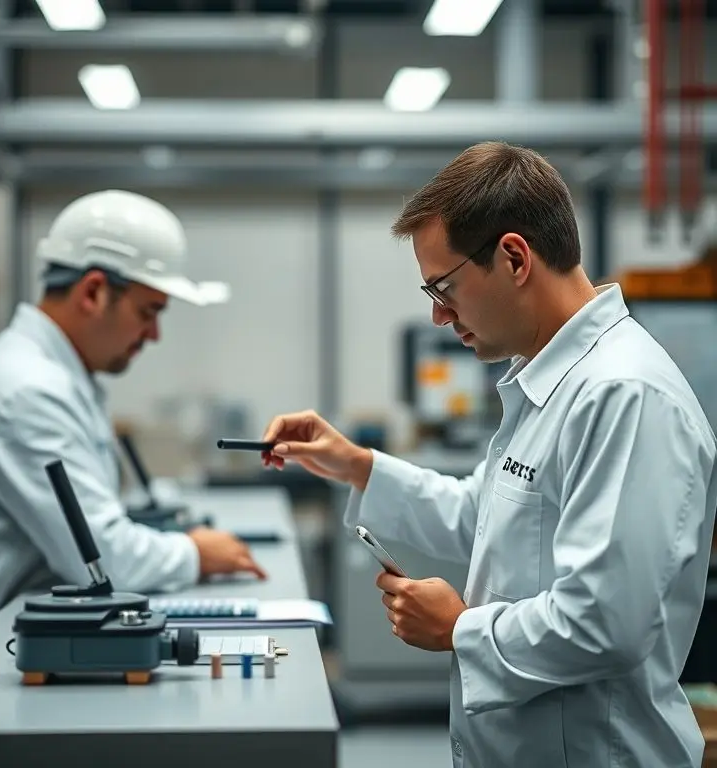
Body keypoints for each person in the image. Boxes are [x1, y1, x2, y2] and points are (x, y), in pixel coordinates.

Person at [261, 143, 717, 767]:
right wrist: (356, 464)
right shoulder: (549, 378)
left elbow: (605, 623)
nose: (438, 313)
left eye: (444, 286)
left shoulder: (622, 396)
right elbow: (488, 514)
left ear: (513, 257)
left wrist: (459, 630)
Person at [0, 190, 265, 649]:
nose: (153, 335)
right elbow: (102, 559)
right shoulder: (25, 390)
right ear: (94, 292)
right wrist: (194, 553)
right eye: (148, 312)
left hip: (14, 629)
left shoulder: (55, 374)